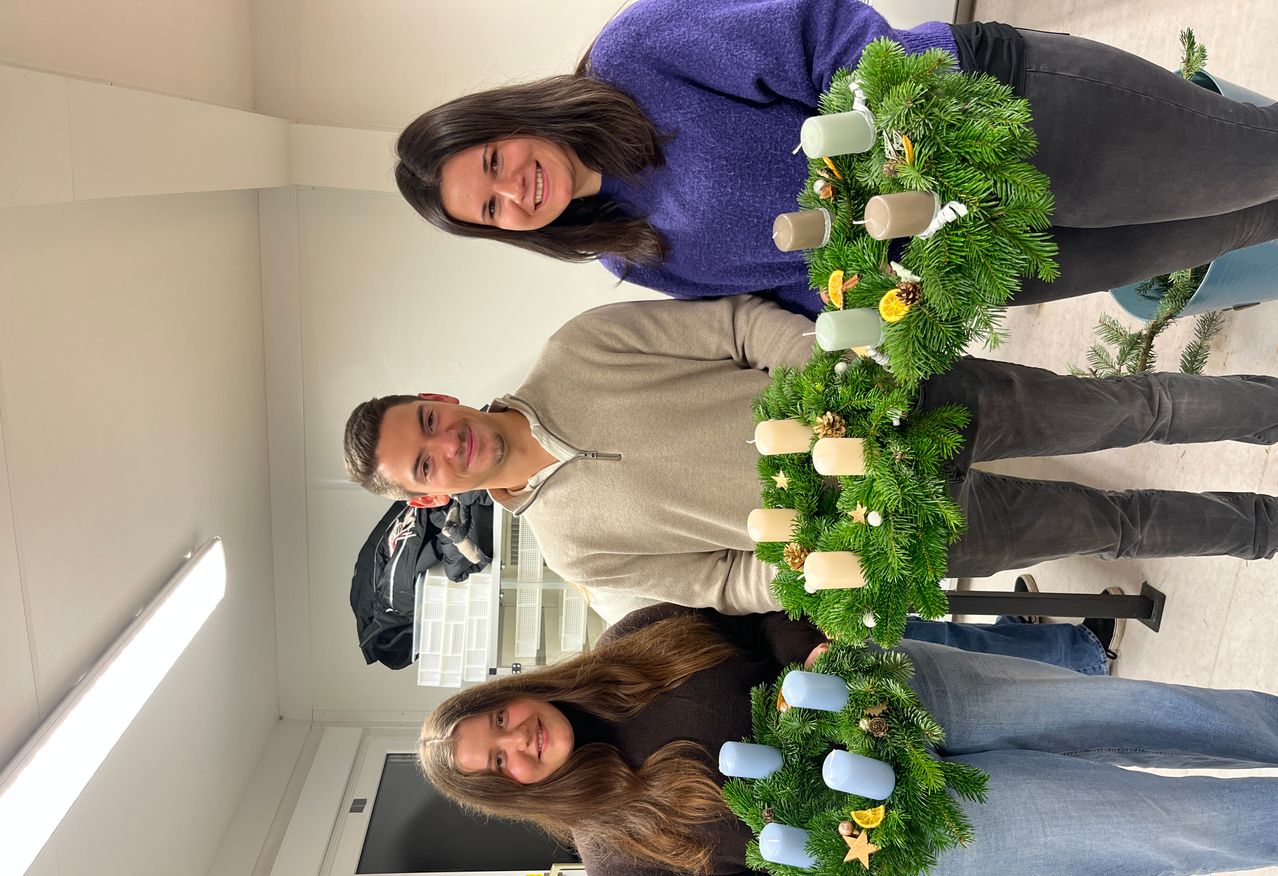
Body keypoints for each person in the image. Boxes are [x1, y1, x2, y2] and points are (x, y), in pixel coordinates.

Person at [419, 604, 1278, 876]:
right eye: (497, 765)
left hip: (917, 698)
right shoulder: (620, 861)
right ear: (510, 792)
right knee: (1159, 824)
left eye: (498, 719)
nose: (516, 741)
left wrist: (813, 651)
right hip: (918, 832)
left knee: (1149, 711)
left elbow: (765, 622)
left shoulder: (632, 641)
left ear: (511, 693)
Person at [343, 295, 1278, 615]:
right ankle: (1265, 531)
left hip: (905, 405)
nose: (444, 445)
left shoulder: (579, 347)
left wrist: (837, 384)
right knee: (1110, 527)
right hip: (885, 531)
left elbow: (741, 327)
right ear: (428, 501)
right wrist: (813, 568)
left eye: (426, 421)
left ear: (439, 396)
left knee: (1130, 407)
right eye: (422, 466)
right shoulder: (572, 551)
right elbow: (722, 582)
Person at [395, 0, 1278, 315]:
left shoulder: (639, 52)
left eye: (495, 161)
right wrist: (870, 308)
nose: (515, 190)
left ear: (504, 118)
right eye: (491, 208)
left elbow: (828, 33)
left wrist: (899, 159)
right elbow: (791, 288)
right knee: (1231, 226)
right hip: (979, 259)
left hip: (999, 116)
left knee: (1258, 163)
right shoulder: (632, 256)